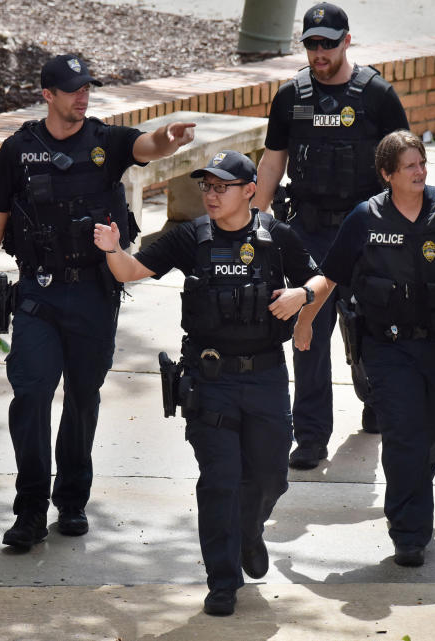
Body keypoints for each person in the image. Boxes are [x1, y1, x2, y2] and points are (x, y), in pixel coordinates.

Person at [0, 54, 195, 551]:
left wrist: (167, 139)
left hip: (93, 294)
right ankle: (28, 512)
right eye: (72, 89)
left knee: (83, 399)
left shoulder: (104, 141)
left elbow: (144, 145)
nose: (82, 96)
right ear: (47, 94)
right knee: (31, 396)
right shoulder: (18, 150)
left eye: (87, 87)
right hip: (39, 294)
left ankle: (71, 501)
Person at [93, 150, 330, 616]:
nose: (212, 194)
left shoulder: (276, 237)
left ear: (250, 192)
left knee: (269, 477)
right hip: (211, 377)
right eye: (207, 186)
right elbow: (131, 271)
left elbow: (323, 279)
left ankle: (250, 531)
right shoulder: (190, 237)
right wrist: (111, 249)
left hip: (265, 376)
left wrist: (302, 297)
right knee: (219, 480)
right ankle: (223, 580)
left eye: (222, 186)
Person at [319, 130, 435, 566]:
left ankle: (413, 492)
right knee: (404, 436)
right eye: (410, 166)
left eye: (422, 163)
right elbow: (331, 275)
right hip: (388, 348)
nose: (420, 172)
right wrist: (306, 321)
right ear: (388, 175)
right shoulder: (364, 218)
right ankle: (409, 533)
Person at [255, 1, 411, 470]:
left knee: (369, 326)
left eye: (327, 43)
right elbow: (272, 162)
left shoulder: (378, 95)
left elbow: (405, 165)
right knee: (309, 328)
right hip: (308, 231)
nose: (319, 52)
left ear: (347, 40)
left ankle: (374, 398)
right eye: (311, 44)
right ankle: (310, 436)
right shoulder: (290, 97)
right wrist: (254, 225)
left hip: (365, 230)